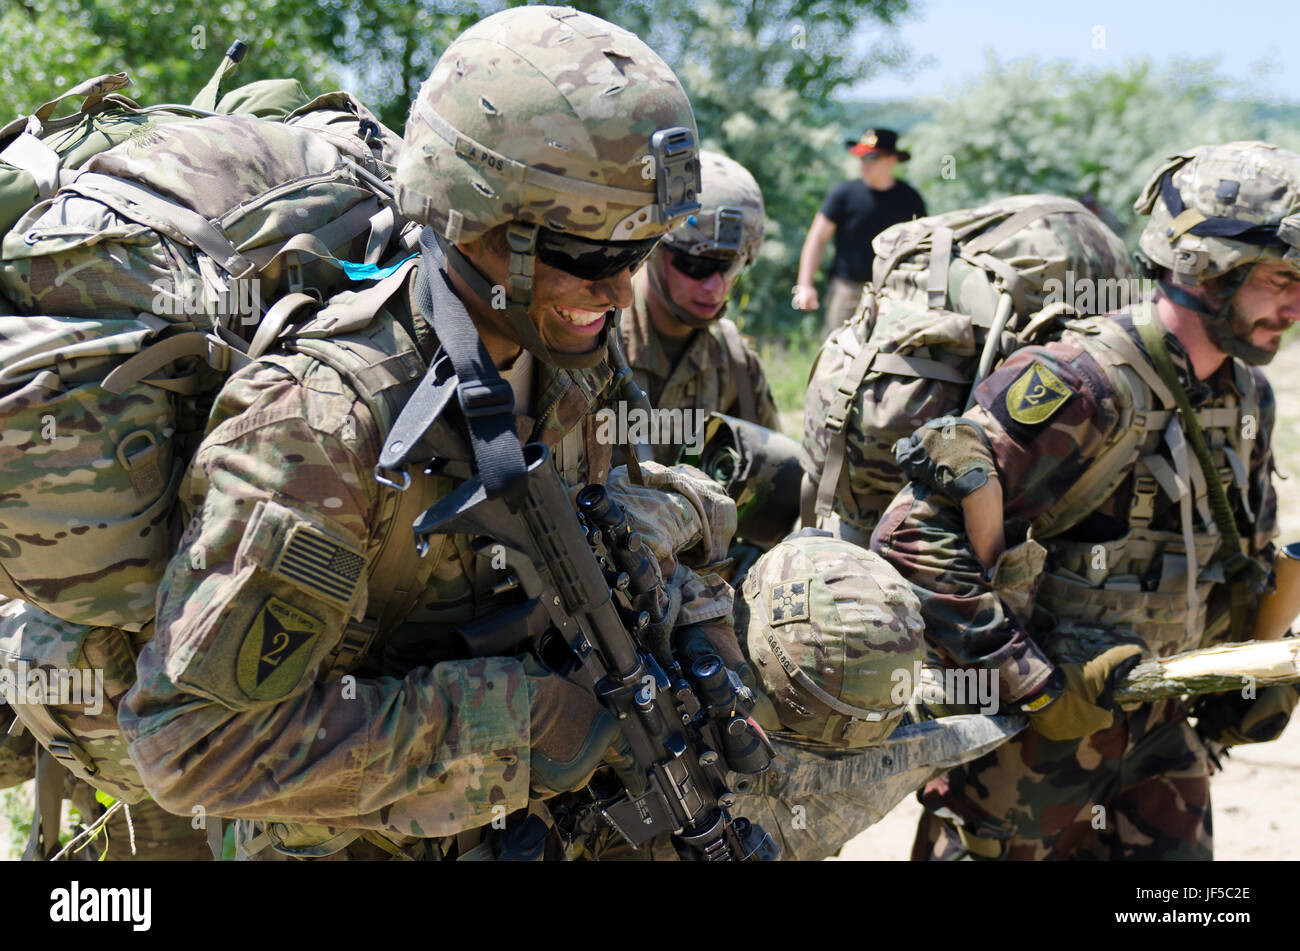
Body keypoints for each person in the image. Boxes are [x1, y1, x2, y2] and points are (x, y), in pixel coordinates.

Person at [119, 5, 736, 861]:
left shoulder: (572, 353)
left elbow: (598, 521)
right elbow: (190, 746)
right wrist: (517, 724)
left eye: (640, 254)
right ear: (480, 219)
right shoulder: (323, 424)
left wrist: (691, 615)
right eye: (590, 258)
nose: (623, 292)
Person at [872, 141, 1300, 860]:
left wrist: (1254, 666)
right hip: (1024, 756)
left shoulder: (1244, 392)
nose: (1295, 305)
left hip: (1163, 739)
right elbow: (911, 536)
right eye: (1281, 278)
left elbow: (1244, 554)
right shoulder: (1078, 382)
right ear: (1204, 265)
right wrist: (1034, 682)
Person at [618, 149, 780, 465]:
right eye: (695, 265)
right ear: (651, 248)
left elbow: (768, 481)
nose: (714, 287)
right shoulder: (595, 345)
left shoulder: (734, 363)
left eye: (730, 267)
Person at [793, 128, 926, 336]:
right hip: (847, 290)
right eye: (861, 156)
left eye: (872, 157)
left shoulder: (910, 199)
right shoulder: (844, 194)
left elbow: (923, 245)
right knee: (837, 353)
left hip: (895, 291)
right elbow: (817, 238)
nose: (864, 163)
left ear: (892, 159)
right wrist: (805, 285)